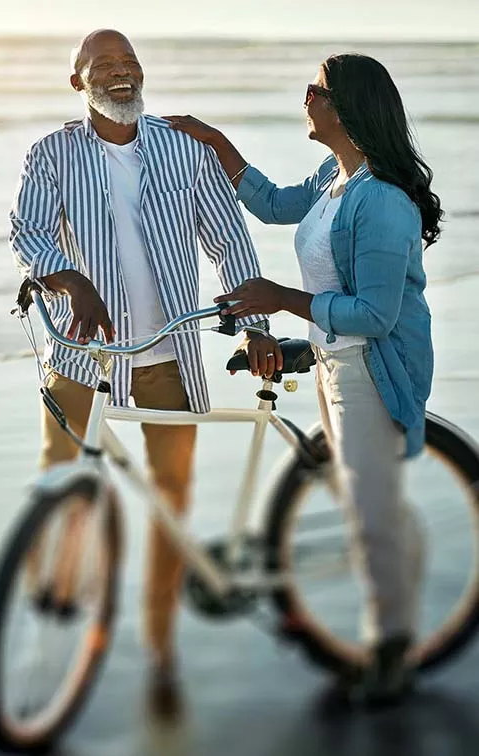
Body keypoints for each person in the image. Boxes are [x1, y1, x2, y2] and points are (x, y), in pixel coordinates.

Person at [9, 28, 281, 720]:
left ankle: (160, 643)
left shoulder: (184, 153)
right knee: (60, 476)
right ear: (79, 83)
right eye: (104, 65)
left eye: (130, 62)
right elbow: (28, 230)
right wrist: (65, 276)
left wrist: (253, 327)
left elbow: (230, 240)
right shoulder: (53, 155)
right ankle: (60, 601)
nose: (121, 73)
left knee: (172, 500)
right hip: (81, 356)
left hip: (167, 358)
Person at [165, 52, 443, 705]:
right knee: (362, 499)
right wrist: (215, 141)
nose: (305, 95)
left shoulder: (381, 203)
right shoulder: (333, 176)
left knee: (371, 517)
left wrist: (281, 300)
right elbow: (270, 204)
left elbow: (376, 315)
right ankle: (392, 591)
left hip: (370, 367)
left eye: (314, 88)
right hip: (331, 355)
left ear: (341, 109)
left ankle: (393, 651)